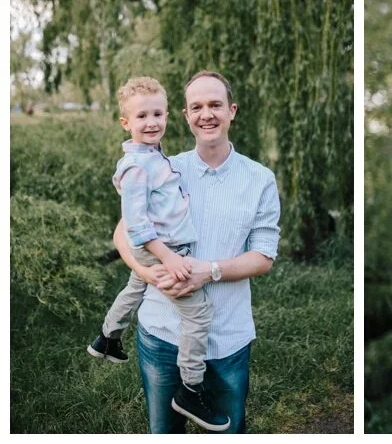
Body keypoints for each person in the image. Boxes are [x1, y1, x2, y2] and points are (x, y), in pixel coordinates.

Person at [113, 71, 280, 434]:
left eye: (215, 105)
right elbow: (123, 233)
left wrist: (211, 271)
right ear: (186, 116)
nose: (207, 114)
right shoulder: (163, 168)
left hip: (227, 336)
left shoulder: (260, 178)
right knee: (165, 433)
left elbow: (264, 256)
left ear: (231, 111)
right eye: (197, 107)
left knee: (228, 434)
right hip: (161, 332)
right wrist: (145, 273)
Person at [90, 76, 226, 431]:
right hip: (162, 250)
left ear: (168, 115)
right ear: (125, 122)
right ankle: (190, 389)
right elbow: (135, 227)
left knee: (135, 287)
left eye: (157, 114)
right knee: (199, 315)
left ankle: (106, 337)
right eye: (141, 117)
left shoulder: (151, 155)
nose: (151, 122)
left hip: (156, 250)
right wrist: (168, 258)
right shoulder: (137, 166)